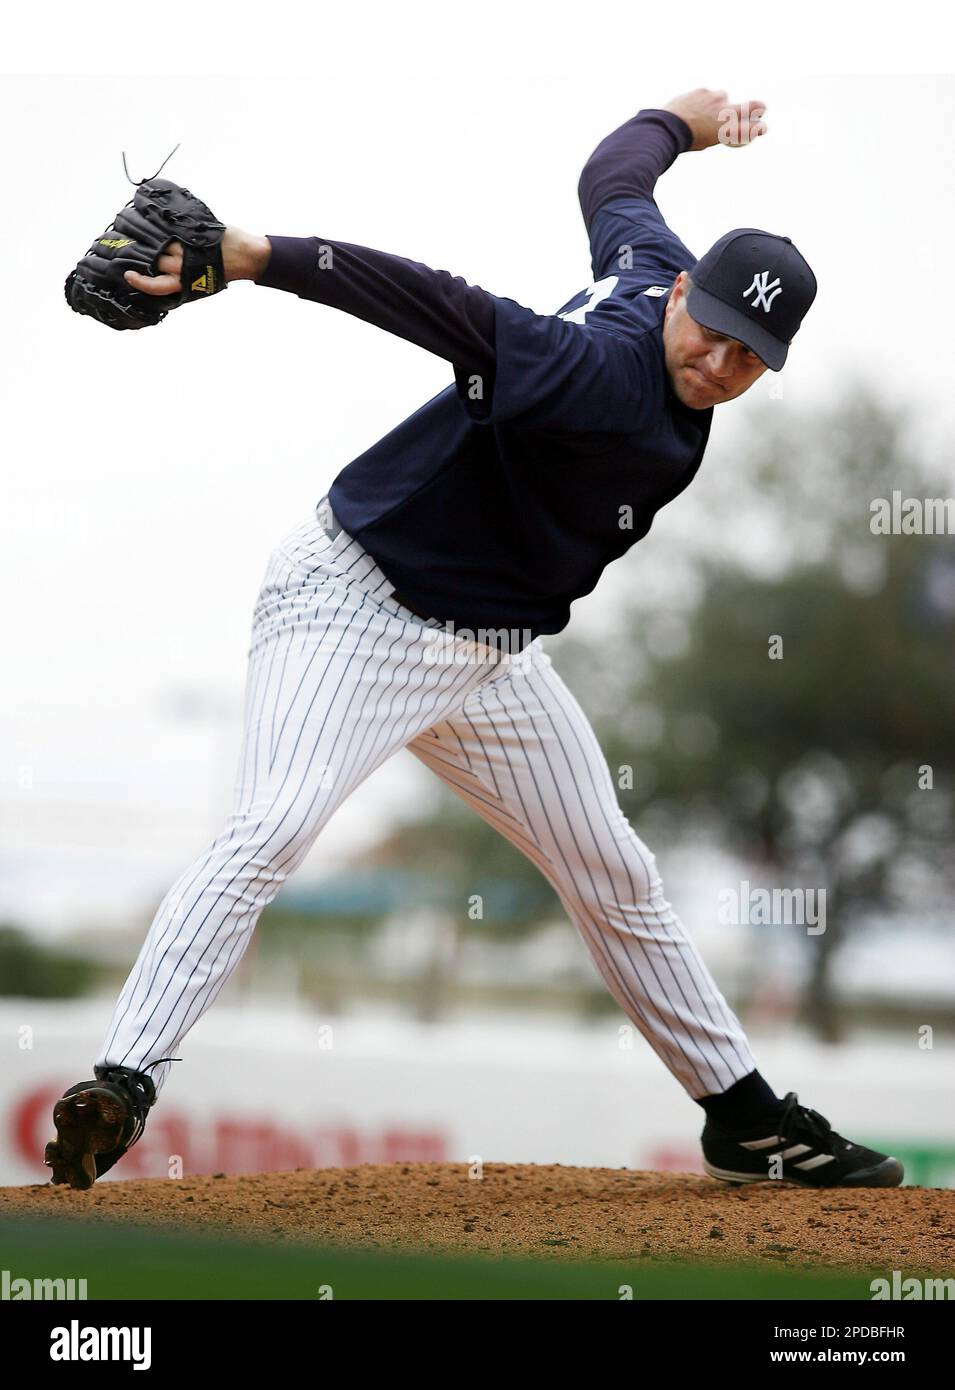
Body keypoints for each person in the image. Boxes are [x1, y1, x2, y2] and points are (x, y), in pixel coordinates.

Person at [45, 88, 903, 1190]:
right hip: (355, 605)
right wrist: (252, 254)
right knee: (272, 826)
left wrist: (679, 121)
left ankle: (742, 1117)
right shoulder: (593, 369)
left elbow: (613, 177)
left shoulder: (656, 264)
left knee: (616, 873)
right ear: (683, 293)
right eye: (717, 334)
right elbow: (437, 302)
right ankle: (123, 1079)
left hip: (490, 654)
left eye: (752, 356)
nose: (722, 365)